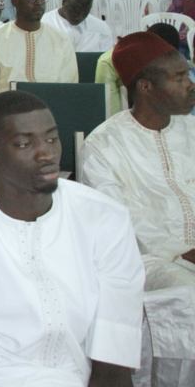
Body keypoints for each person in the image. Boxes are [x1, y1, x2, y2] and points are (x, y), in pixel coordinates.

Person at [0, 91, 145, 387]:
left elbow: (113, 360)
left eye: (51, 139)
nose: (46, 154)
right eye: (25, 144)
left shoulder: (105, 217)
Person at [80, 32, 195, 384]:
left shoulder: (191, 130)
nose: (190, 84)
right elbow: (121, 220)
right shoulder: (104, 143)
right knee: (187, 296)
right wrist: (182, 251)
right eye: (179, 78)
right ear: (145, 87)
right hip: (144, 258)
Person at [0, 0, 78, 105]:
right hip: (7, 114)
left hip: (50, 114)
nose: (38, 2)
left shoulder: (61, 40)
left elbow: (68, 89)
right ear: (14, 2)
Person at [42, 0, 114, 52]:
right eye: (75, 11)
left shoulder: (101, 28)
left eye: (85, 13)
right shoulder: (44, 24)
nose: (79, 17)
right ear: (64, 2)